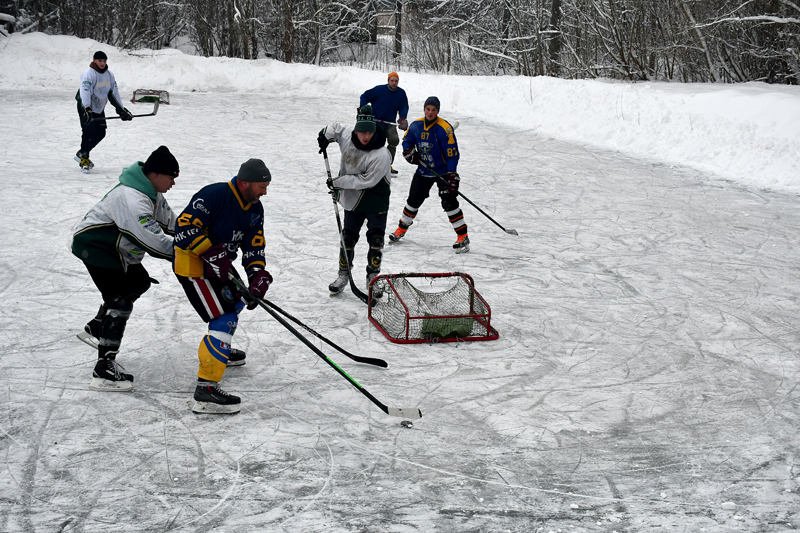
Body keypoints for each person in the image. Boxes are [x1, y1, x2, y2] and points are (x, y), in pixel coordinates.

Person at [72, 145, 180, 391]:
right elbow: (151, 240)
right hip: (97, 247)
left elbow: (173, 224)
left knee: (138, 283)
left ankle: (99, 326)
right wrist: (185, 254)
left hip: (117, 251)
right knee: (119, 300)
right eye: (172, 176)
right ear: (156, 175)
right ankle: (104, 368)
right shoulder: (132, 198)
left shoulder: (152, 194)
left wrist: (199, 236)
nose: (174, 182)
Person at [173, 158, 273, 414]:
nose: (264, 192)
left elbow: (254, 246)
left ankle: (219, 350)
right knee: (223, 316)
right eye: (261, 186)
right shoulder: (215, 194)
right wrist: (212, 253)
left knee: (236, 302)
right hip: (194, 264)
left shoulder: (254, 209)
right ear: (244, 182)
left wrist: (257, 275)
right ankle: (206, 389)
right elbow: (183, 228)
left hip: (220, 265)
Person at [317, 104, 392, 295]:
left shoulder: (381, 155)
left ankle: (372, 277)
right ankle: (344, 273)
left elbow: (366, 181)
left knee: (376, 239)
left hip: (376, 198)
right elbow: (334, 128)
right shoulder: (348, 135)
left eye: (369, 132)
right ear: (356, 130)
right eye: (362, 132)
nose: (365, 136)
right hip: (352, 198)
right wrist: (325, 135)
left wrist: (338, 183)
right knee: (348, 237)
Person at [389, 96, 469, 253]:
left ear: (437, 111)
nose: (430, 112)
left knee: (449, 203)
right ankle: (401, 229)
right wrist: (408, 151)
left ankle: (463, 236)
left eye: (433, 110)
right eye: (428, 109)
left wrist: (452, 174)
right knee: (413, 200)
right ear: (424, 109)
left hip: (443, 172)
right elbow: (407, 141)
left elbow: (453, 154)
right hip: (424, 170)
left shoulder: (444, 129)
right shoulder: (416, 125)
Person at [75, 51, 133, 173]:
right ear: (94, 60)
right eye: (100, 61)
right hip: (85, 105)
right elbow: (84, 92)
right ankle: (84, 158)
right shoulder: (88, 74)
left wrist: (121, 110)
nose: (102, 63)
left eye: (104, 61)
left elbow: (113, 94)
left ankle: (82, 152)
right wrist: (86, 108)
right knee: (89, 131)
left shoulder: (109, 75)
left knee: (101, 133)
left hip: (98, 107)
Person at [359, 72, 409, 173]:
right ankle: (369, 164)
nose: (394, 83)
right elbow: (364, 96)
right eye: (392, 81)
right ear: (388, 81)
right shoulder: (379, 90)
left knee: (394, 141)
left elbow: (403, 106)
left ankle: (387, 165)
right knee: (375, 143)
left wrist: (402, 118)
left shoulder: (401, 93)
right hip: (376, 123)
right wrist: (363, 108)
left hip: (390, 123)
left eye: (396, 81)